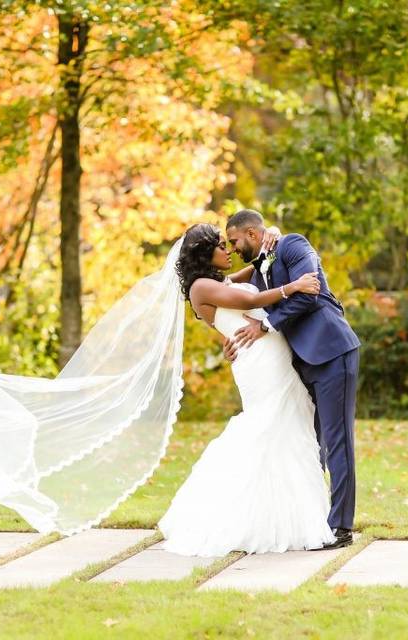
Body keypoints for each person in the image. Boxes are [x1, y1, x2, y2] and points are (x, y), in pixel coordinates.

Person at [157, 222, 336, 556]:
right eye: (221, 246)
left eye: (229, 244)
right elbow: (250, 297)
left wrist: (272, 233)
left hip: (266, 357)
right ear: (205, 253)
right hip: (260, 365)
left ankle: (287, 516)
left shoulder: (215, 282)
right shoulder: (201, 288)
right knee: (266, 428)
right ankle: (234, 517)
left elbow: (256, 268)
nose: (228, 251)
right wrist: (293, 287)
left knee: (287, 430)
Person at [223, 209, 361, 550]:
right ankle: (314, 519)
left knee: (337, 439)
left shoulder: (293, 246)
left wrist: (265, 326)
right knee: (309, 442)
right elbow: (238, 290)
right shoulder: (258, 268)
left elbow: (309, 293)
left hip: (331, 352)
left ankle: (341, 527)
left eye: (235, 240)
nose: (232, 246)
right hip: (299, 363)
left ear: (252, 235)